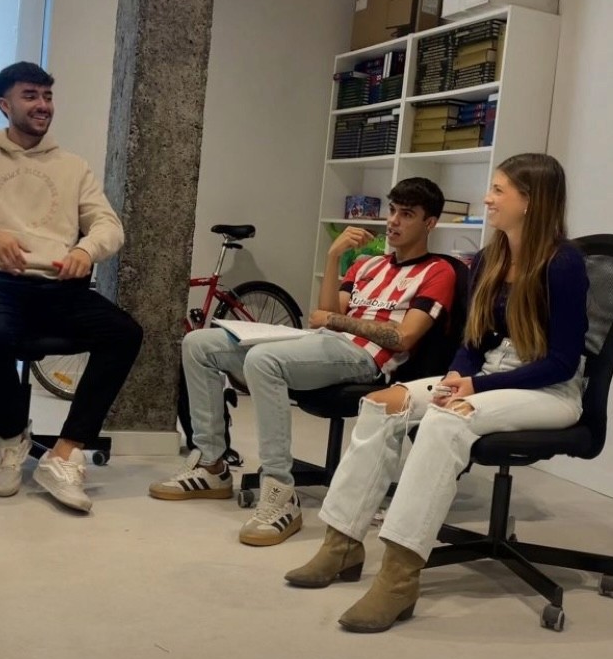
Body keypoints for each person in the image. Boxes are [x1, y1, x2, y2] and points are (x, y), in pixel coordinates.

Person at [284, 153, 589, 633]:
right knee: (382, 404)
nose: (487, 198)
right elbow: (471, 340)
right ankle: (342, 544)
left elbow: (562, 362)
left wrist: (475, 386)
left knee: (448, 420)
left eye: (499, 190)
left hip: (547, 388)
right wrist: (455, 376)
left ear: (530, 201)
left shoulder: (564, 264)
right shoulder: (491, 258)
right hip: (483, 376)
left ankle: (399, 579)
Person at [149, 178, 458, 547]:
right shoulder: (366, 264)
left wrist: (334, 321)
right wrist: (333, 258)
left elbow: (404, 337)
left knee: (264, 361)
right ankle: (212, 465)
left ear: (430, 223)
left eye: (406, 215)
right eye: (392, 211)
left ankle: (280, 493)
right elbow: (325, 312)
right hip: (323, 345)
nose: (393, 221)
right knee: (198, 343)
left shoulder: (439, 271)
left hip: (366, 358)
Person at [0, 61, 142, 514]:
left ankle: (66, 452)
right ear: (4, 105)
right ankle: (10, 435)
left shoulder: (72, 165)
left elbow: (108, 224)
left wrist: (88, 250)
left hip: (58, 285)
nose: (42, 105)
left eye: (46, 96)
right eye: (30, 96)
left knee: (124, 332)